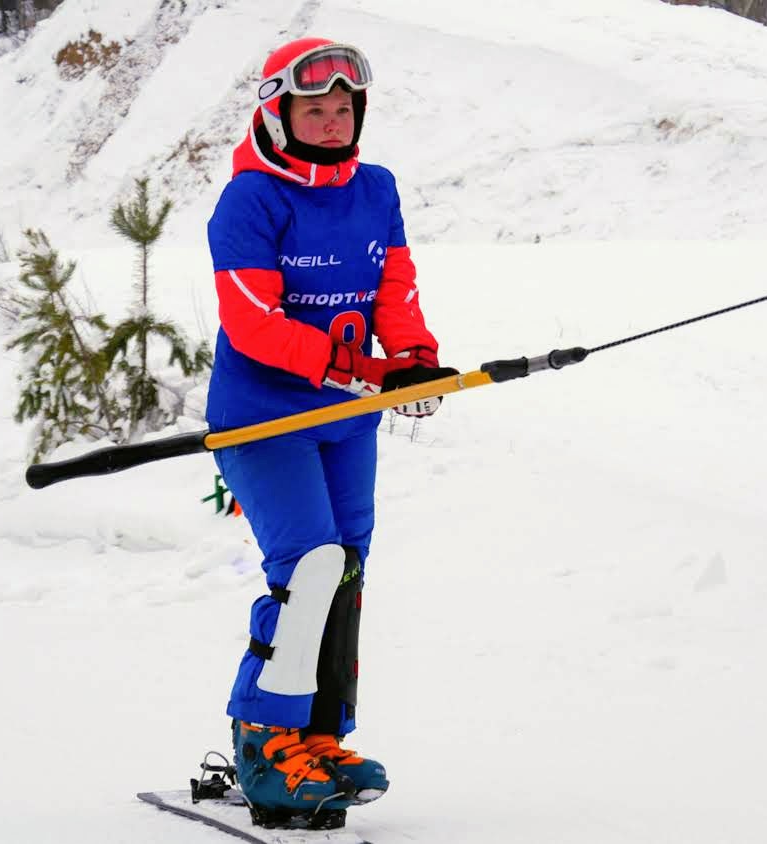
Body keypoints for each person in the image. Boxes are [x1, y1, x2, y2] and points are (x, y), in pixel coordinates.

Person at [204, 37, 447, 827]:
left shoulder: (375, 189)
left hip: (346, 418)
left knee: (345, 571)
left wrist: (412, 359)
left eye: (344, 108)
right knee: (307, 567)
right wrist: (366, 372)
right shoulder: (250, 200)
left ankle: (318, 738)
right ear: (279, 113)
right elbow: (254, 324)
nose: (334, 121)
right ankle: (264, 743)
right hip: (264, 415)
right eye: (316, 110)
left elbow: (394, 287)